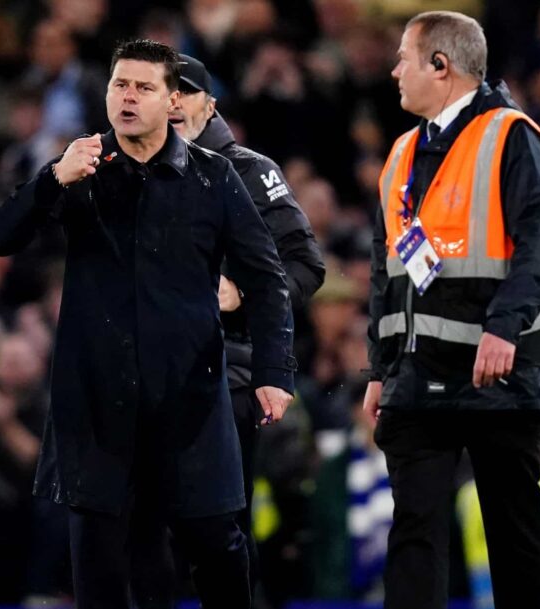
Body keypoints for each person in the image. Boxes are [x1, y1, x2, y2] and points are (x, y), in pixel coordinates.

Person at [0, 39, 296, 609]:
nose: (127, 98)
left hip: (191, 402)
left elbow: (268, 278)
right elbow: (0, 238)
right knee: (102, 569)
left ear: (172, 101)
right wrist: (53, 179)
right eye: (119, 85)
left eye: (143, 87)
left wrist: (276, 372)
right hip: (97, 406)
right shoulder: (79, 168)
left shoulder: (216, 178)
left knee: (218, 549)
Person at [363, 11, 540, 609]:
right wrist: (380, 368)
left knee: (514, 533)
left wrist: (503, 330)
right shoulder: (401, 152)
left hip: (497, 376)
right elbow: (388, 270)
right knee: (414, 535)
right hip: (417, 376)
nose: (395, 69)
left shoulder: (510, 135)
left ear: (441, 66)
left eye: (406, 57)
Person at [132, 52, 323, 605]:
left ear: (207, 104)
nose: (171, 104)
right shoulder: (124, 169)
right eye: (158, 91)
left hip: (229, 366)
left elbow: (306, 265)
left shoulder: (247, 169)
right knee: (139, 527)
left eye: (182, 92)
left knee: (217, 524)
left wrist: (241, 290)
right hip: (143, 372)